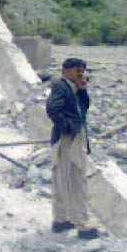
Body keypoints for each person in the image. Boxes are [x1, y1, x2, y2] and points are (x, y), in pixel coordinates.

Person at [45, 57, 99, 240]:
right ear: (65, 71)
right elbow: (52, 109)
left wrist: (82, 91)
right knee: (73, 181)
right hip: (67, 139)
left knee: (62, 180)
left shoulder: (73, 87)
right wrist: (68, 127)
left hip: (72, 137)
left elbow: (83, 109)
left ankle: (60, 220)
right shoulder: (61, 87)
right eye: (77, 71)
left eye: (82, 71)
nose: (80, 74)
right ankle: (82, 225)